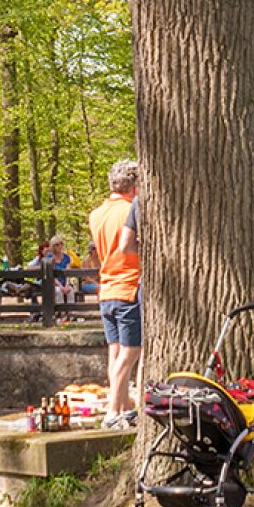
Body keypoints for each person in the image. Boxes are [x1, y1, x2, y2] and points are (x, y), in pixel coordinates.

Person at [89, 160, 142, 429]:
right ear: (134, 186)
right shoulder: (131, 210)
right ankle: (112, 411)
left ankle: (124, 407)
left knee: (115, 353)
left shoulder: (96, 214)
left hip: (106, 288)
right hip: (129, 286)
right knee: (131, 352)